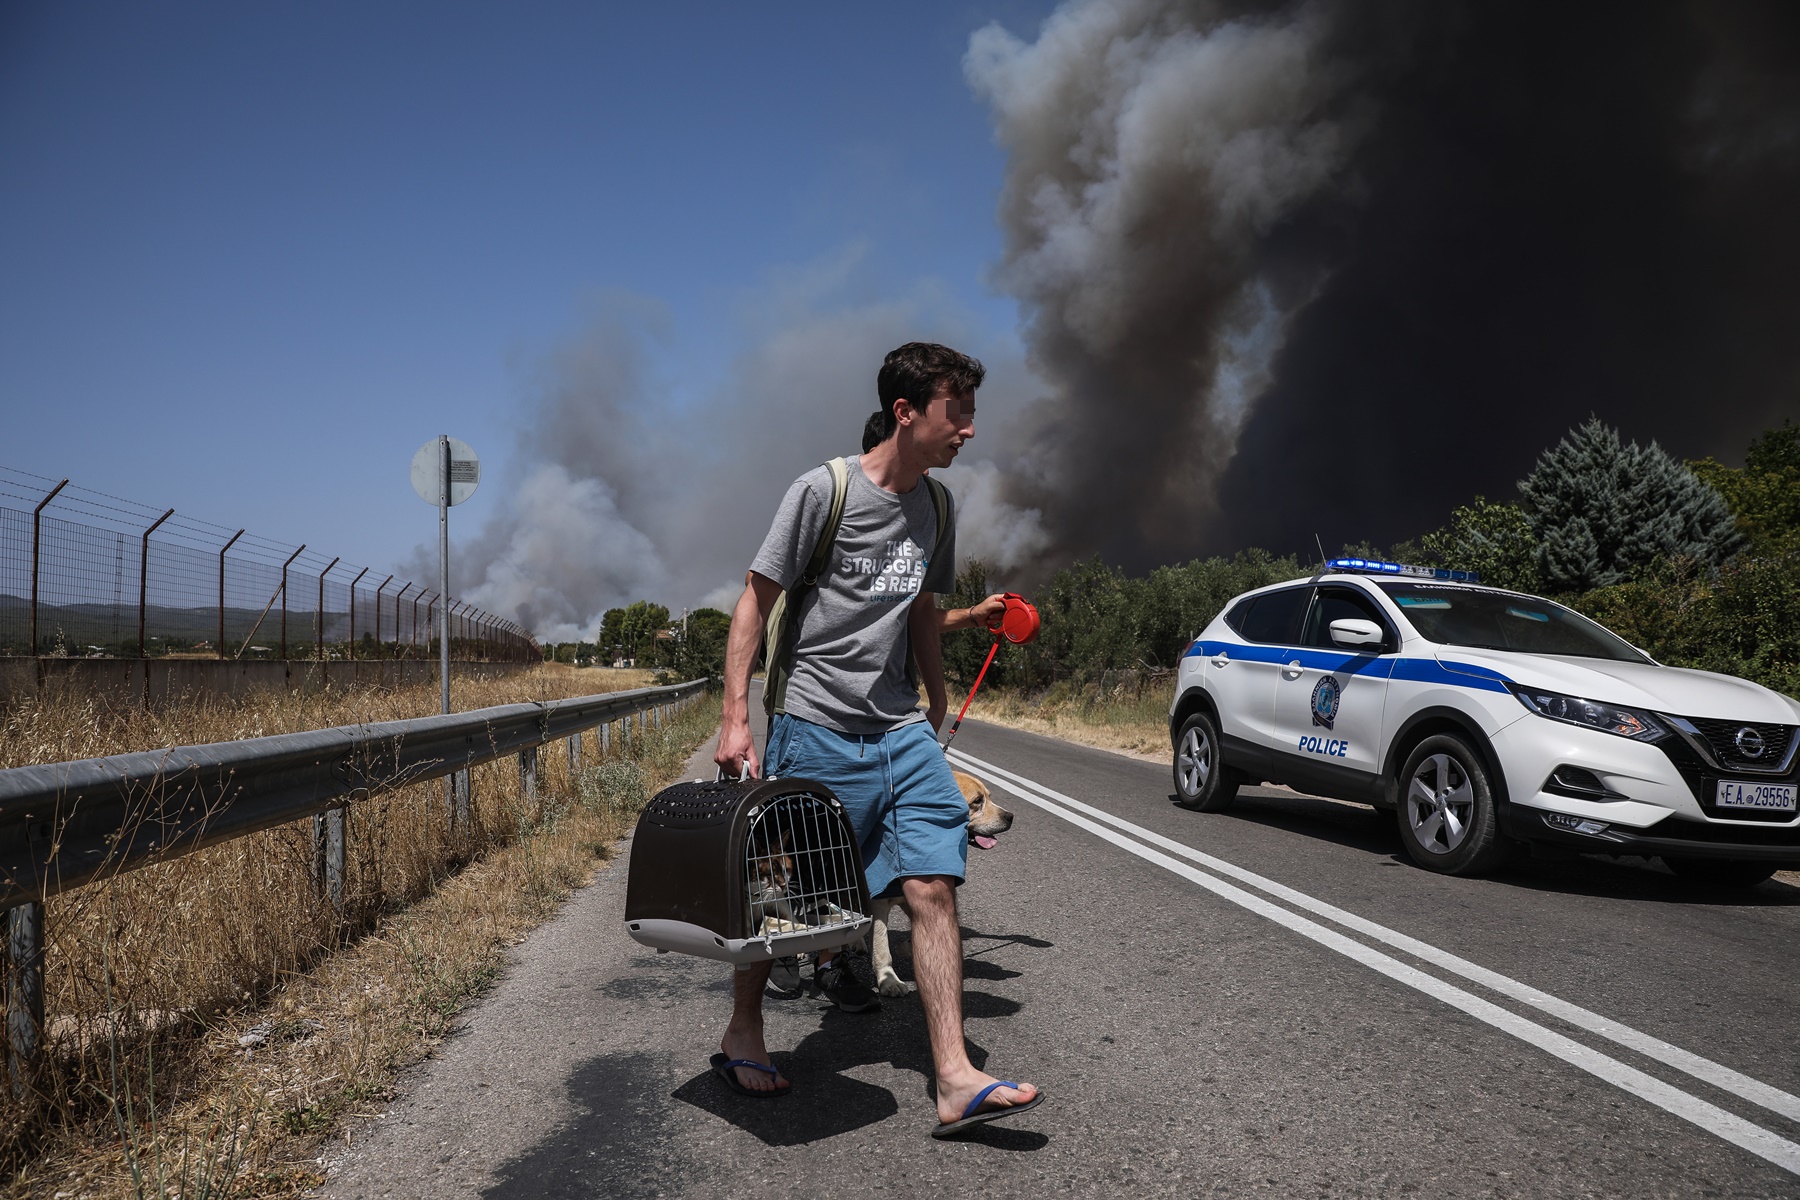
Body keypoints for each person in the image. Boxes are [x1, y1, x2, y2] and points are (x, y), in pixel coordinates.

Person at [712, 342, 1044, 1134]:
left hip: (899, 731)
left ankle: (955, 1076)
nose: (969, 430)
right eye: (956, 413)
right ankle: (743, 1030)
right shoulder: (821, 493)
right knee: (788, 895)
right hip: (817, 726)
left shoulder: (938, 507)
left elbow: (922, 611)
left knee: (933, 884)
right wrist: (735, 717)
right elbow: (755, 602)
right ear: (907, 413)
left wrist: (933, 701)